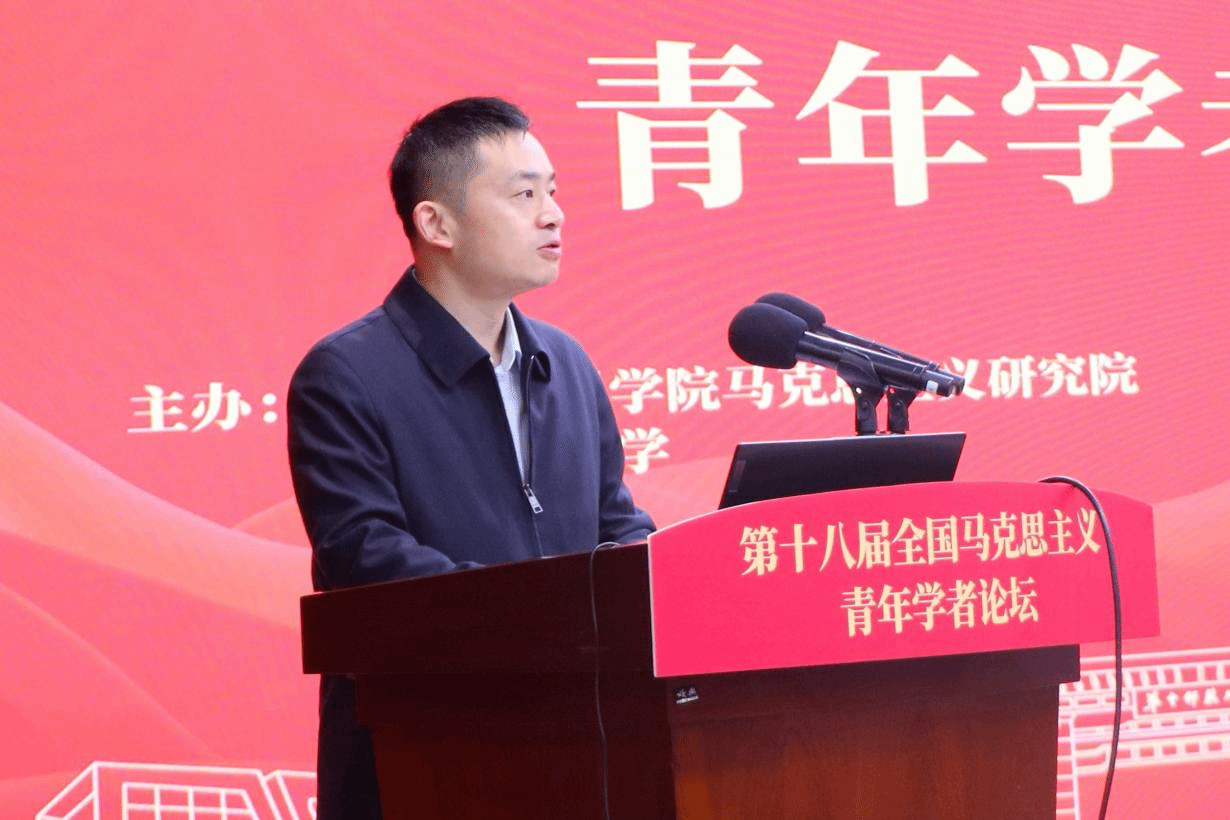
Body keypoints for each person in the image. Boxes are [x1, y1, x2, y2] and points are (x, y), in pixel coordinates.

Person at [286, 97, 655, 819]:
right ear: (437, 224)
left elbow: (616, 526)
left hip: (581, 745)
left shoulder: (566, 362)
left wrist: (663, 575)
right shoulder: (346, 374)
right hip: (422, 757)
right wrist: (553, 618)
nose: (553, 215)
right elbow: (368, 558)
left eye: (553, 191)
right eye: (524, 195)